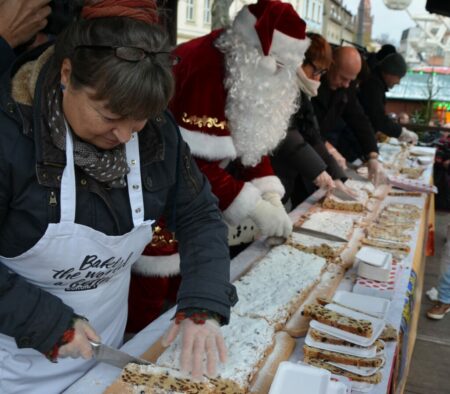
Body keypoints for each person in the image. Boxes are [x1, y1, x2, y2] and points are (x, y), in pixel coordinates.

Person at [0, 1, 238, 392]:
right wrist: (46, 323)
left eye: (138, 121)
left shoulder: (157, 134)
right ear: (66, 74)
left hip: (102, 365)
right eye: (110, 117)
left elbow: (198, 215)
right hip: (14, 371)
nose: (125, 136)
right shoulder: (11, 136)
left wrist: (204, 303)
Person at [127, 0, 308, 334]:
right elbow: (188, 162)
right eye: (279, 64)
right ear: (260, 53)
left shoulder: (249, 74)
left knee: (192, 292)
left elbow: (252, 139)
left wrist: (269, 194)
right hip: (154, 189)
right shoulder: (203, 67)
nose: (283, 74)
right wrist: (252, 204)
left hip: (200, 200)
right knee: (149, 300)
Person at [271, 32, 356, 207]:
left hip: (285, 182)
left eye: (322, 73)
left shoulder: (302, 94)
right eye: (316, 71)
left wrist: (336, 174)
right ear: (299, 61)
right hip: (269, 180)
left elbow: (313, 136)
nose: (317, 79)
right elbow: (287, 133)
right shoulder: (278, 88)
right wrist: (319, 171)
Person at [311, 46, 384, 185]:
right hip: (304, 151)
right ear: (331, 65)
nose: (346, 85)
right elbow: (306, 126)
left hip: (321, 151)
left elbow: (358, 119)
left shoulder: (346, 86)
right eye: (343, 78)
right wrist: (329, 148)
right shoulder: (313, 81)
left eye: (351, 80)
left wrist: (372, 155)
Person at [359, 52, 418, 144]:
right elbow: (378, 118)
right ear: (389, 73)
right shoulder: (373, 86)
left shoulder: (376, 83)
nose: (398, 82)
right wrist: (401, 132)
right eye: (398, 77)